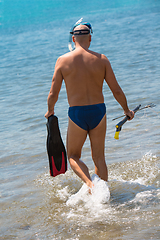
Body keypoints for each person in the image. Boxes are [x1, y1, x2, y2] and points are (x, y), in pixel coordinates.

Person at [45, 21, 134, 191]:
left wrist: (50, 111)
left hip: (77, 113)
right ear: (90, 39)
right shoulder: (102, 59)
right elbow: (116, 90)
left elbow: (53, 93)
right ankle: (104, 195)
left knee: (73, 156)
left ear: (73, 38)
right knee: (99, 158)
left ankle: (90, 185)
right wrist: (126, 110)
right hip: (98, 111)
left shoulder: (63, 60)